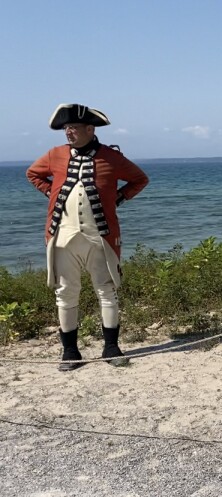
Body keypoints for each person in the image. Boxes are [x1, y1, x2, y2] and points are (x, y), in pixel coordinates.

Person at [26, 103, 149, 371]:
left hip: (100, 237)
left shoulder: (112, 157)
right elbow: (33, 173)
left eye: (73, 128)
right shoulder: (55, 155)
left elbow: (140, 179)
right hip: (62, 236)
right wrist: (52, 193)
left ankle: (111, 347)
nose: (68, 133)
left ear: (90, 129)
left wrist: (119, 197)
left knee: (107, 291)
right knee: (66, 293)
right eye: (66, 128)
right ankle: (70, 351)